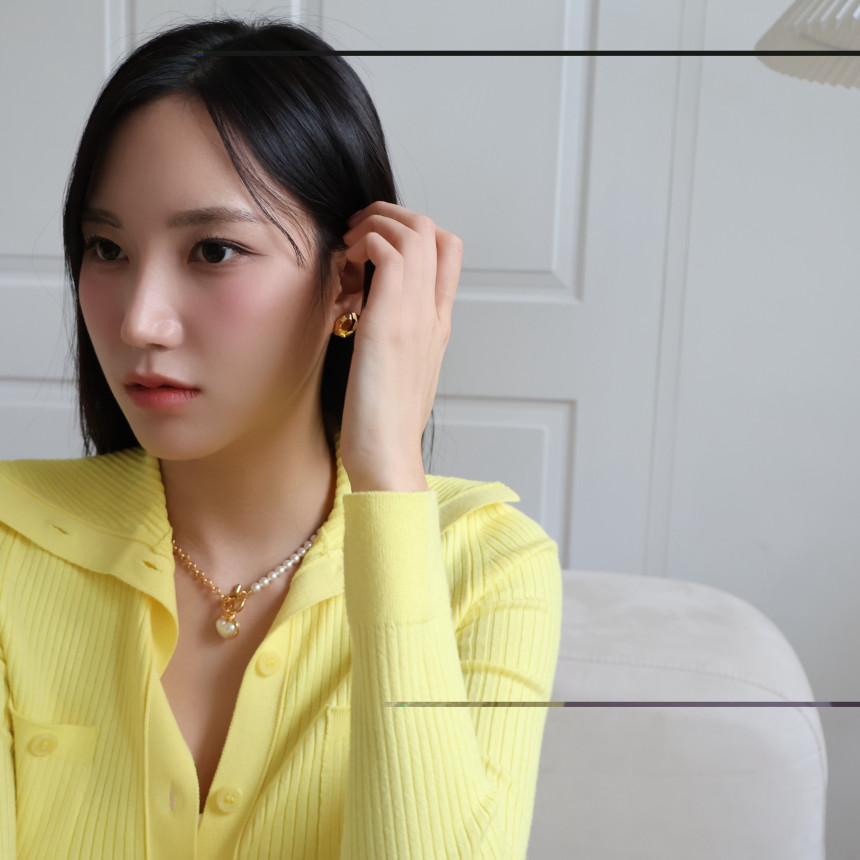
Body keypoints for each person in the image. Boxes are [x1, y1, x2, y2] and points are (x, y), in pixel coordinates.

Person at [0, 16, 562, 859]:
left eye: (213, 251)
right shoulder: (9, 541)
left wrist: (388, 475)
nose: (139, 320)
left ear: (349, 282)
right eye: (107, 248)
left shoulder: (488, 569)